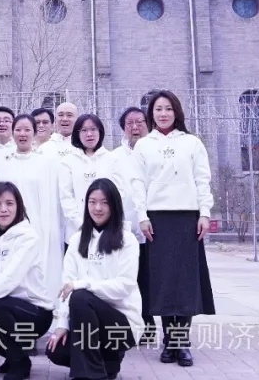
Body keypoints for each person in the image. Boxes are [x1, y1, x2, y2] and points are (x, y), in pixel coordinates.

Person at [130, 90, 215, 367]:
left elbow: (202, 179)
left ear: (176, 111)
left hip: (188, 219)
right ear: (151, 114)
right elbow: (137, 183)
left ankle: (182, 342)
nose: (163, 113)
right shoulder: (144, 145)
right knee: (164, 283)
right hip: (157, 221)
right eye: (158, 109)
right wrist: (142, 216)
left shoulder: (191, 143)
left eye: (168, 108)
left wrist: (205, 213)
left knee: (185, 282)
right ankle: (169, 341)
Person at [46, 178, 142, 380]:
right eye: (92, 202)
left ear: (114, 206)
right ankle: (109, 363)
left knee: (80, 296)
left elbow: (125, 286)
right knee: (55, 350)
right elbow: (66, 286)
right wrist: (62, 325)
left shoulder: (127, 240)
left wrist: (83, 284)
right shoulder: (76, 240)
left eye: (104, 202)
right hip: (86, 321)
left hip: (121, 323)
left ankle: (91, 375)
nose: (98, 208)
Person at [0, 182, 53, 380]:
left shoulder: (29, 237)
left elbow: (11, 277)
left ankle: (19, 364)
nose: (3, 209)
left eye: (9, 203)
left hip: (35, 313)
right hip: (1, 307)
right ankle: (15, 357)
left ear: (18, 206)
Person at [0, 114, 64, 302]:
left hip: (39, 225)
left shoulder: (46, 162)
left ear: (34, 132)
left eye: (27, 130)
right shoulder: (3, 162)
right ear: (12, 132)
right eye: (18, 130)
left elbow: (52, 200)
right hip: (10, 226)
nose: (22, 134)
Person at [107, 106, 152, 342]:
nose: (135, 127)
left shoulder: (154, 151)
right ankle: (132, 324)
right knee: (128, 279)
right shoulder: (114, 157)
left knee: (150, 278)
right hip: (125, 229)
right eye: (129, 124)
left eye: (139, 122)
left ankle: (149, 322)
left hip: (153, 228)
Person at [60, 113, 117, 246]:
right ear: (77, 134)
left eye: (93, 129)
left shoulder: (112, 159)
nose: (89, 134)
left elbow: (119, 193)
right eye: (84, 130)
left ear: (100, 132)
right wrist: (81, 224)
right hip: (77, 230)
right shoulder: (67, 161)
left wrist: (105, 221)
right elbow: (66, 196)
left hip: (107, 228)